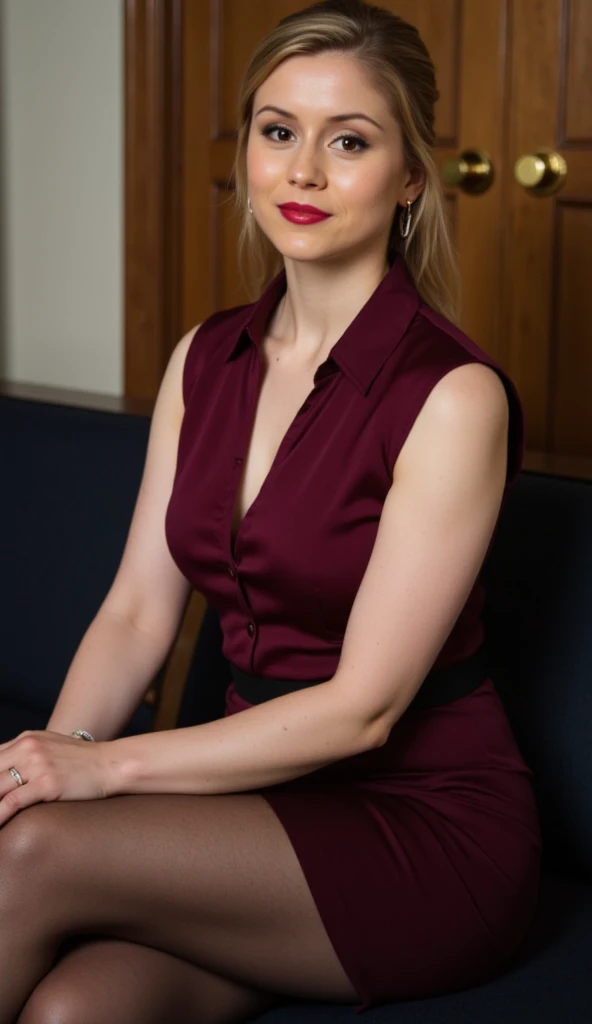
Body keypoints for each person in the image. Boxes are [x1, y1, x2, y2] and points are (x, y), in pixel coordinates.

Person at [0, 0, 542, 1021]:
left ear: (410, 178)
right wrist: (53, 754)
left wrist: (101, 772)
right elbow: (134, 615)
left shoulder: (452, 395)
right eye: (277, 130)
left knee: (30, 849)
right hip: (248, 807)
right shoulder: (204, 358)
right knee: (78, 1009)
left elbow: (363, 709)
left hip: (423, 831)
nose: (303, 172)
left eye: (349, 141)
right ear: (247, 149)